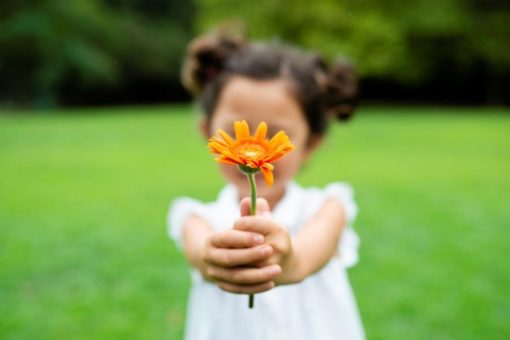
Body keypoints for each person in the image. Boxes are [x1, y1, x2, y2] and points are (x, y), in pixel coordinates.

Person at [167, 31, 365, 340]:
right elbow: (202, 254)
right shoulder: (196, 218)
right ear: (208, 133)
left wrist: (288, 262)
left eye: (275, 136)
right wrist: (217, 259)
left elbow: (307, 255)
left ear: (310, 143)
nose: (255, 146)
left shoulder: (328, 208)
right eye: (235, 132)